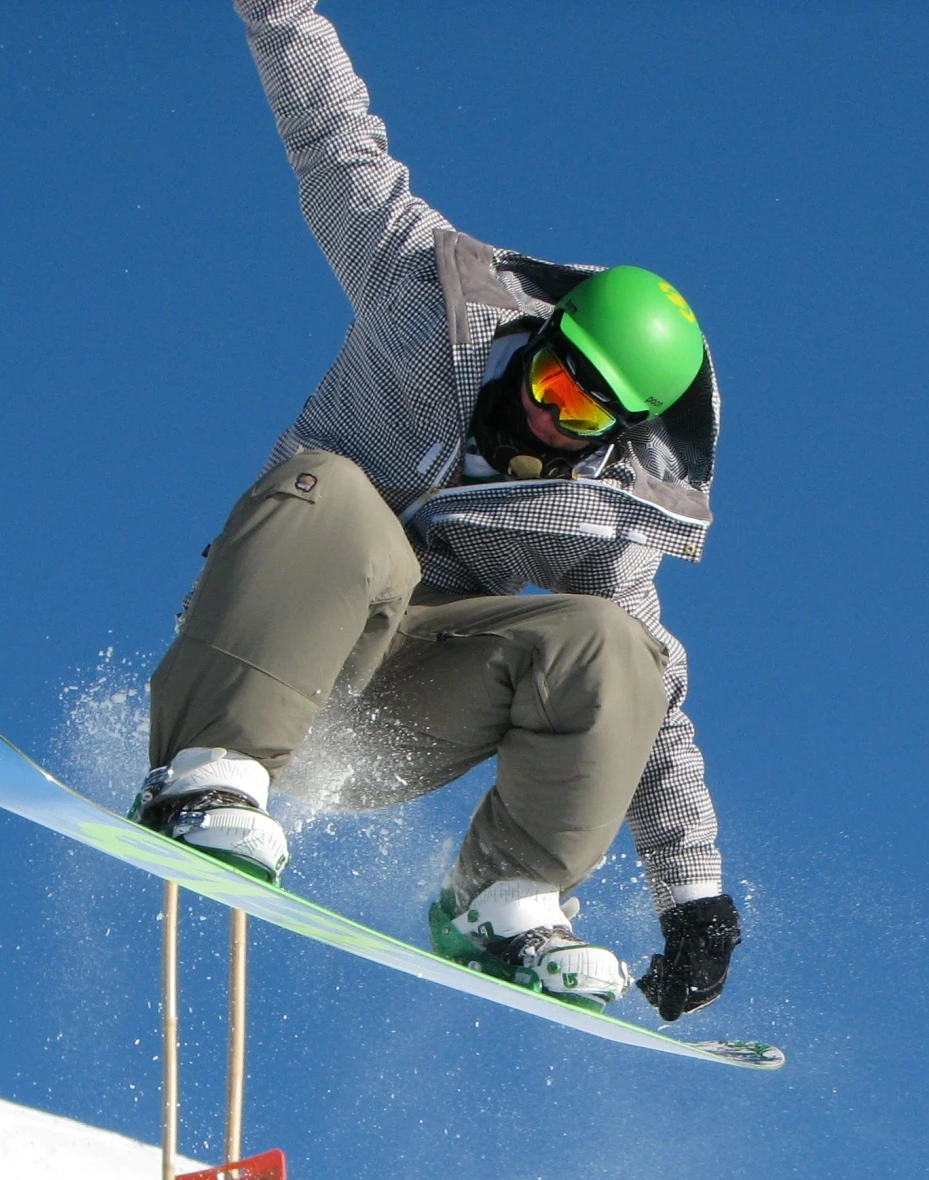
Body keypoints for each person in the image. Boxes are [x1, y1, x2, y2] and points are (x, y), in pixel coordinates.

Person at [136, 0, 740, 1020]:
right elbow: (334, 139)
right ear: (540, 339)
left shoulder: (595, 512)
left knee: (614, 646)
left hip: (383, 716)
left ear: (619, 433)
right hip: (261, 647)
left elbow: (653, 710)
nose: (549, 420)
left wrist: (693, 894)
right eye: (552, 383)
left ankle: (503, 902)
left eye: (584, 416)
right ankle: (208, 778)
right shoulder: (425, 288)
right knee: (343, 497)